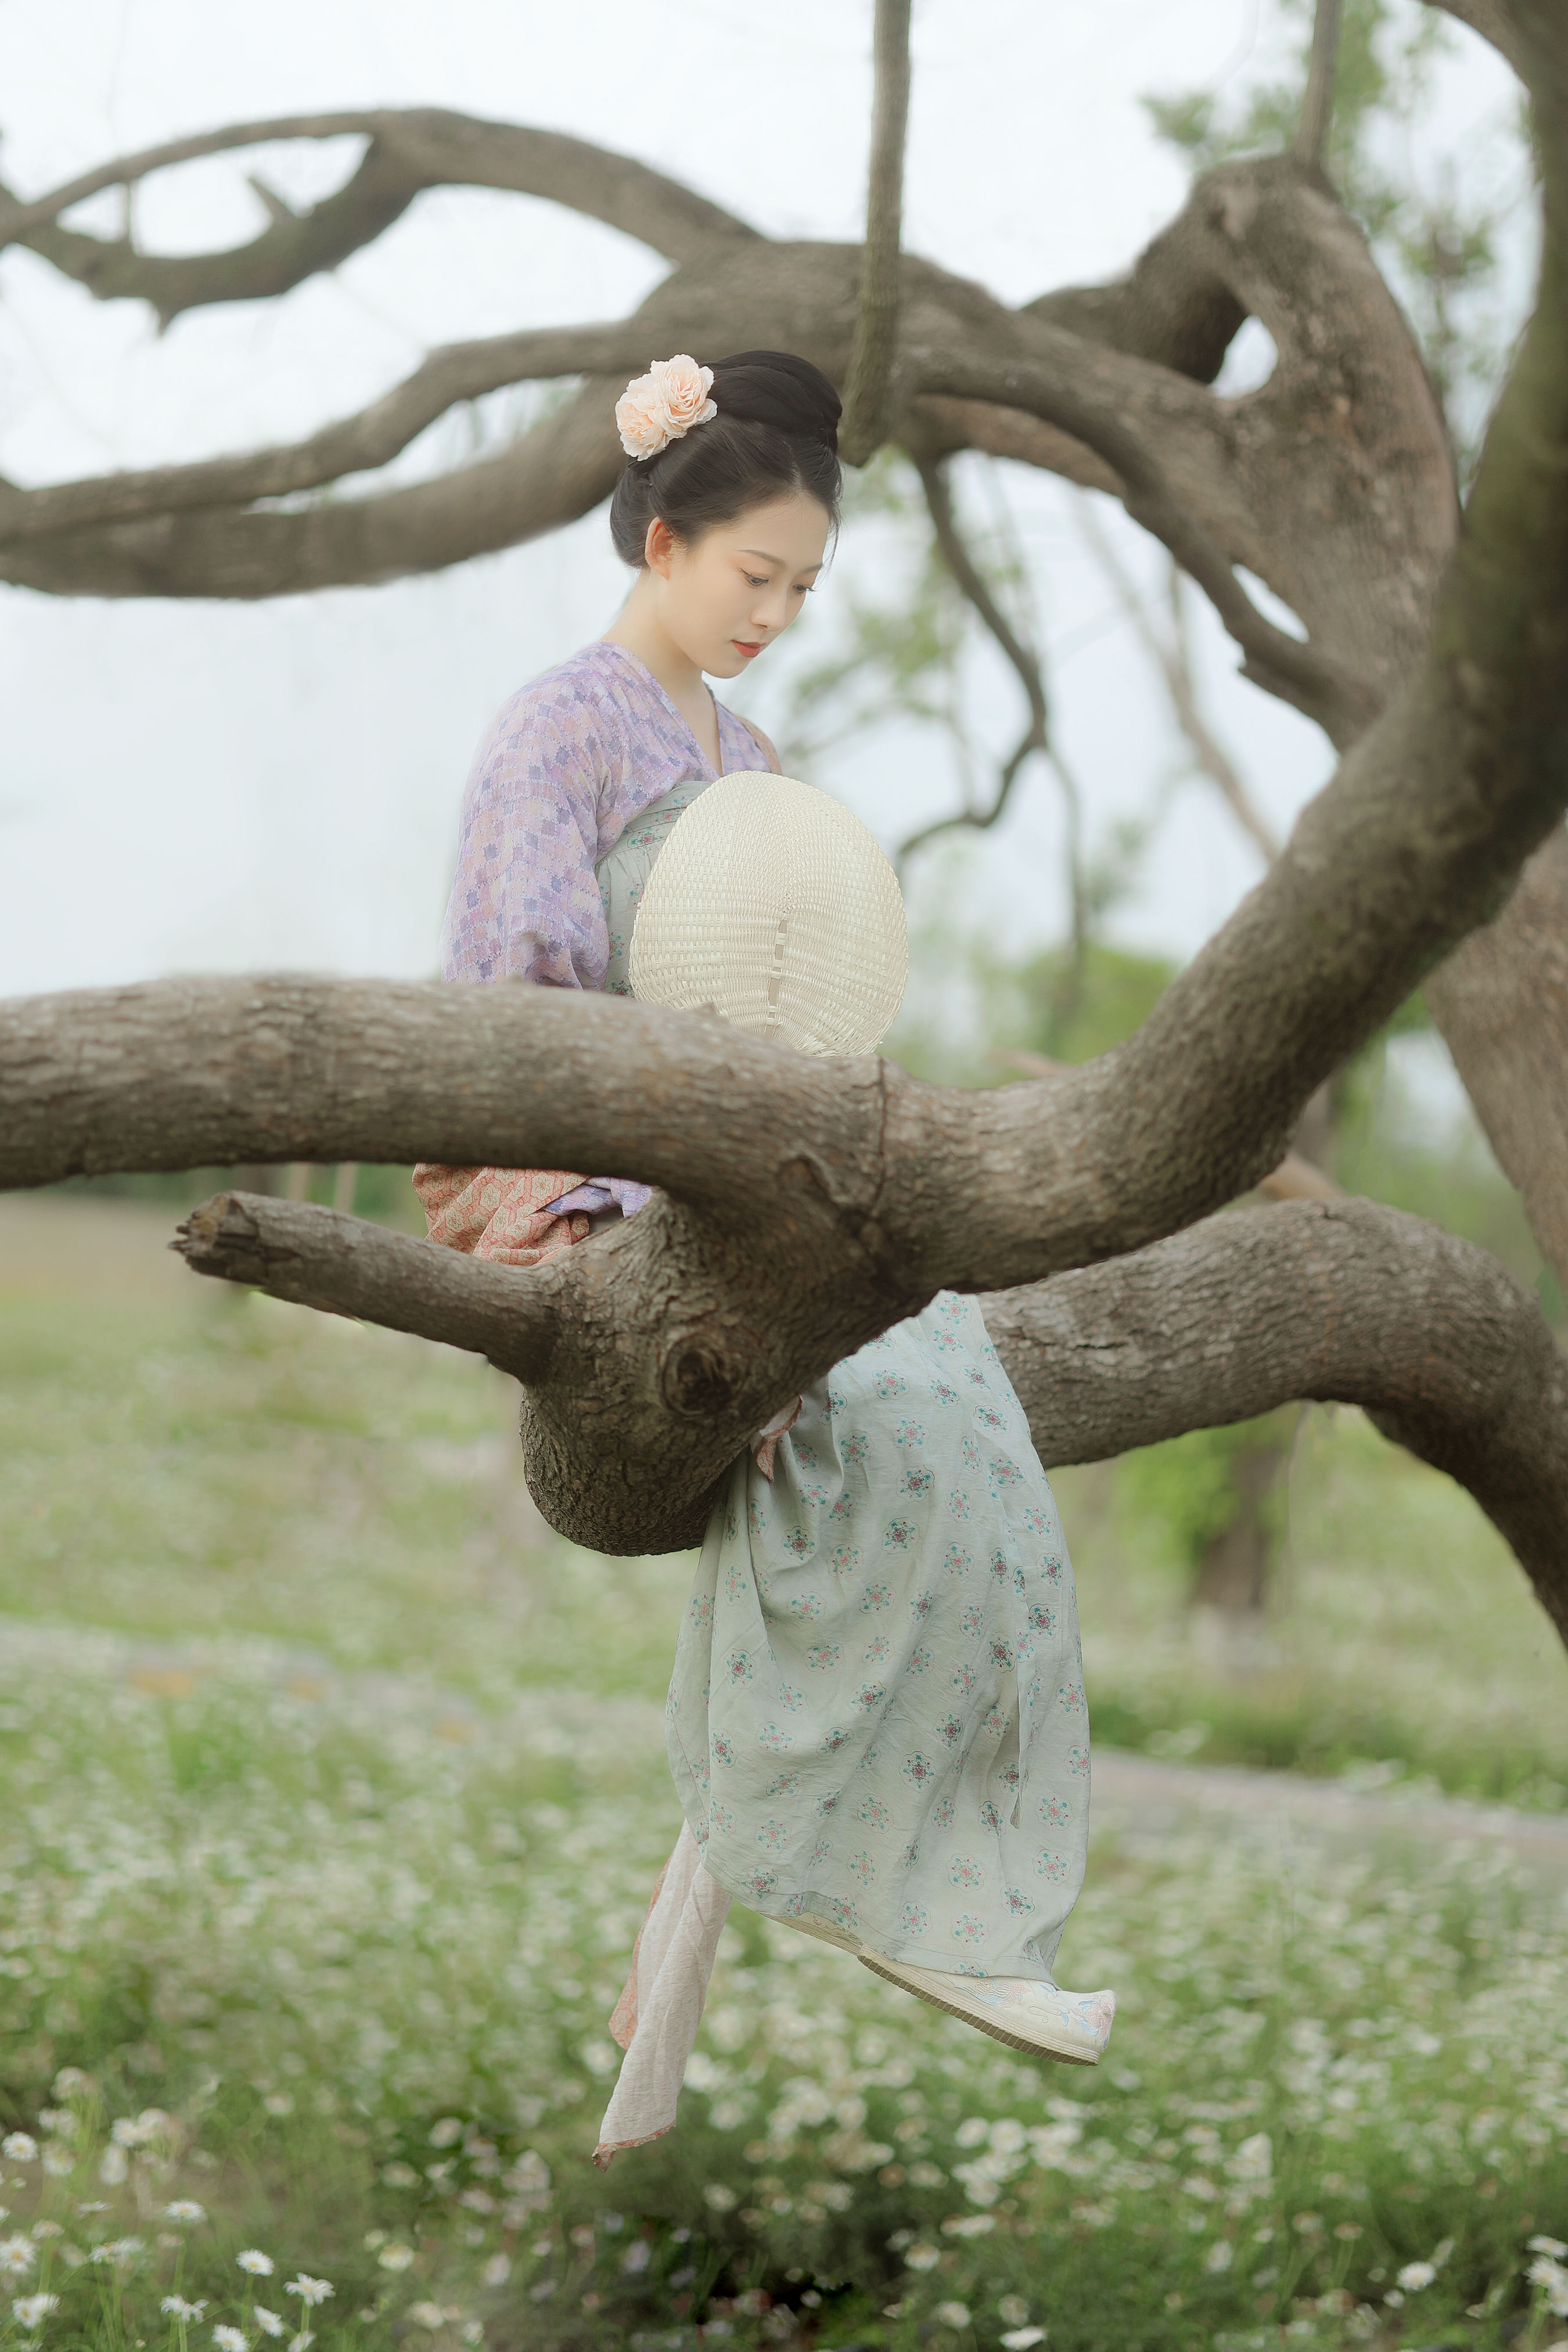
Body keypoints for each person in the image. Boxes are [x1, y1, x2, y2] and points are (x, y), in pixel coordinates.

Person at [417, 351, 1114, 2164]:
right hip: (585, 1166)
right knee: (824, 1417)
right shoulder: (556, 727)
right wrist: (616, 1199)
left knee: (956, 1395)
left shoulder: (759, 760)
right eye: (758, 577)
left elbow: (799, 1023)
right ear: (664, 542)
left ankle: (961, 1890)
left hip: (748, 1169)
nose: (780, 616)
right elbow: (512, 1010)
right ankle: (865, 1875)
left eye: (806, 587)